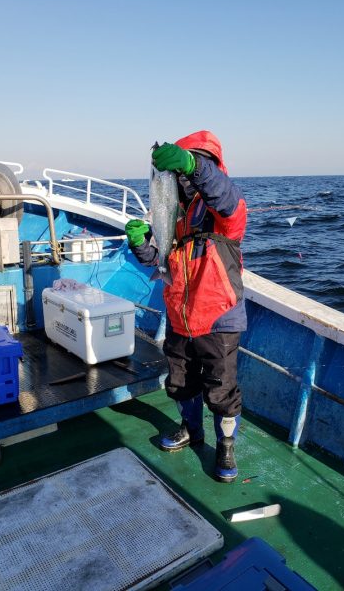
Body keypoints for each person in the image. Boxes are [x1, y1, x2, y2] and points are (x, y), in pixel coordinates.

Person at [125, 130, 247, 483]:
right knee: (180, 384)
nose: (184, 178)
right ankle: (191, 429)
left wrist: (194, 164)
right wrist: (140, 243)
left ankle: (225, 445)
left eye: (193, 168)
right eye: (182, 171)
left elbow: (222, 194)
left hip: (219, 319)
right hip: (180, 318)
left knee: (221, 391)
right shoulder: (175, 216)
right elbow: (158, 259)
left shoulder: (228, 213)